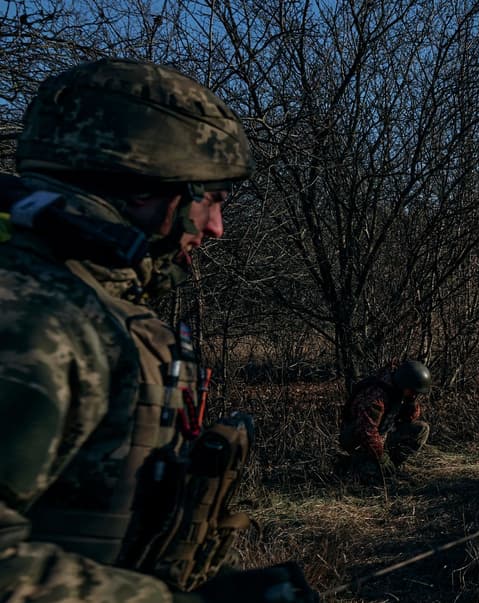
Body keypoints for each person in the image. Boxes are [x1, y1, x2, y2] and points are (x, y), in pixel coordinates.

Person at [0, 59, 316, 602]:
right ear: (145, 191)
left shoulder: (87, 311)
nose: (216, 228)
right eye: (210, 199)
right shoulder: (35, 321)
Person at [339, 360, 433, 482]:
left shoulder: (399, 390)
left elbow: (408, 419)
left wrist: (411, 402)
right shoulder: (376, 396)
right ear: (404, 383)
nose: (415, 395)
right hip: (359, 442)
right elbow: (366, 431)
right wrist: (381, 457)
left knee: (421, 429)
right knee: (372, 477)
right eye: (413, 391)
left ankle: (391, 466)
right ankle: (350, 464)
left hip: (382, 436)